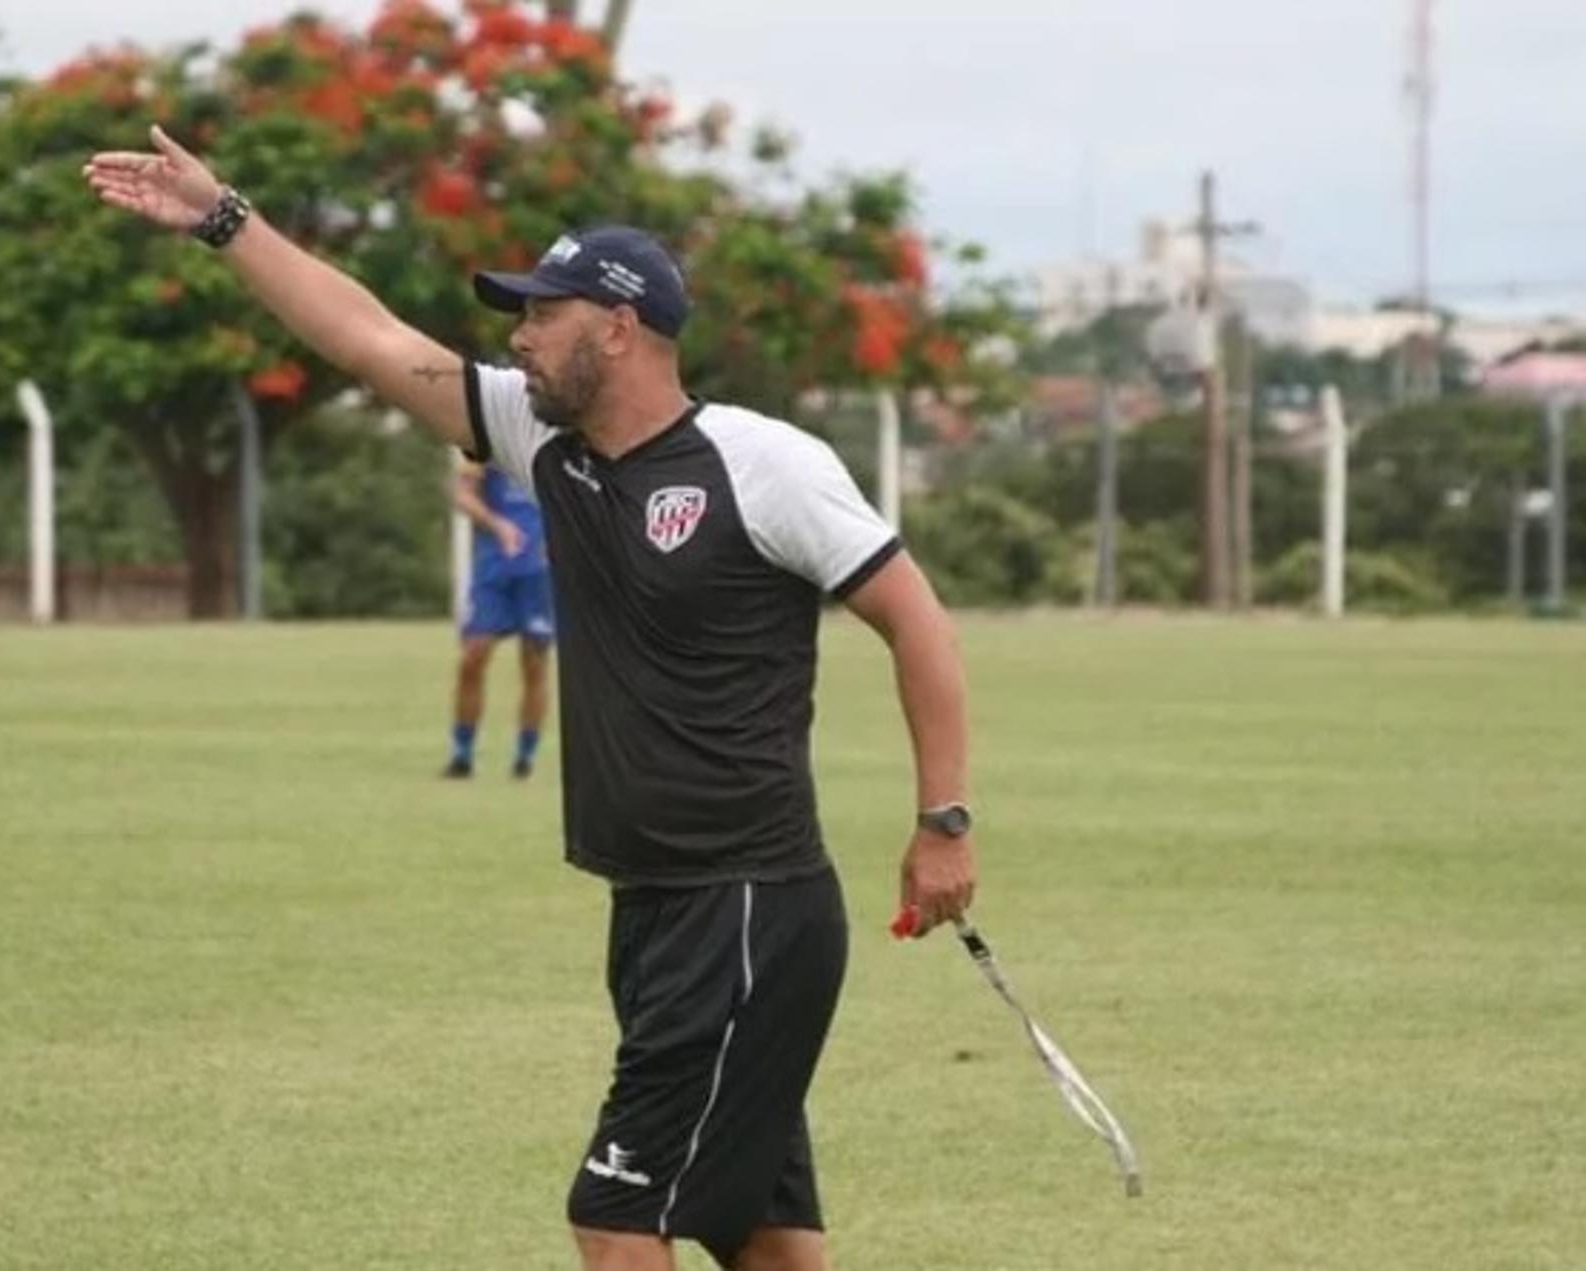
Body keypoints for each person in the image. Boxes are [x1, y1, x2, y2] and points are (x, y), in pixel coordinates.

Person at [85, 126, 977, 1271]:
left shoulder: (764, 464)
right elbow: (367, 339)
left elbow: (919, 619)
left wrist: (944, 820)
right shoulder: (540, 442)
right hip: (655, 906)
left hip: (746, 906)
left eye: (541, 312)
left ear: (617, 328)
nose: (519, 333)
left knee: (615, 1219)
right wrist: (224, 220)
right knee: (757, 1228)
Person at [446, 458, 554, 779]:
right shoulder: (485, 444)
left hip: (539, 570)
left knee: (535, 662)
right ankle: (462, 755)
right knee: (473, 657)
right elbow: (462, 494)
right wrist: (498, 525)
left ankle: (525, 758)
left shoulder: (557, 437)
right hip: (495, 566)